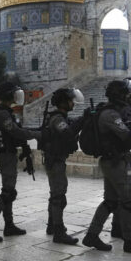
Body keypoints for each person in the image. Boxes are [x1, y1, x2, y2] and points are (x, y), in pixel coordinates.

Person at [83, 80, 131, 255]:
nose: (129, 99)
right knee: (130, 200)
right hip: (116, 162)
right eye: (126, 95)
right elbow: (127, 137)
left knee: (111, 201)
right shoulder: (110, 115)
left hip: (114, 160)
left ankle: (92, 235)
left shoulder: (114, 112)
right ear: (120, 95)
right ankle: (130, 241)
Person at [0, 82, 41, 242]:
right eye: (13, 93)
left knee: (9, 191)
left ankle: (9, 225)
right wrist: (35, 134)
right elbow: (15, 131)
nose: (17, 95)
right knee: (8, 192)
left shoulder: (6, 112)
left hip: (8, 154)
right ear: (8, 96)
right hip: (5, 155)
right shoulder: (2, 114)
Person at [39, 88, 87, 245]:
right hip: (55, 161)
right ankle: (58, 232)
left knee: (56, 194)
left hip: (57, 160)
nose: (73, 103)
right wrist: (82, 120)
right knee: (59, 197)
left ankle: (52, 226)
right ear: (64, 102)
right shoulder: (57, 119)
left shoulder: (60, 117)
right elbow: (67, 133)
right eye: (71, 100)